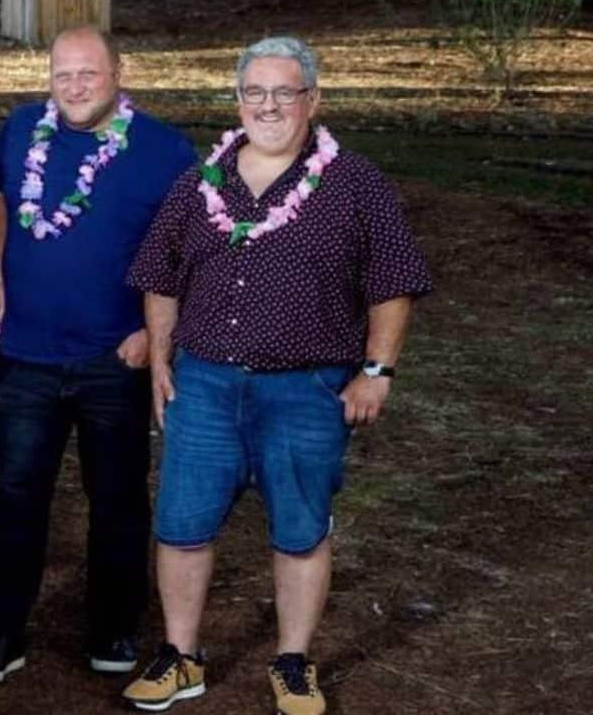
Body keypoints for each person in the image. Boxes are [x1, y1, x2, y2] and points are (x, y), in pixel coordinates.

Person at [120, 37, 432, 715]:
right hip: (204, 383)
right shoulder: (201, 182)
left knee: (299, 528)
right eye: (254, 93)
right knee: (180, 524)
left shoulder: (354, 182)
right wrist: (161, 362)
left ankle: (293, 662)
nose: (268, 106)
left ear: (312, 101)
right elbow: (160, 275)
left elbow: (393, 282)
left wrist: (376, 372)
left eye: (284, 93)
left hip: (306, 388)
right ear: (238, 101)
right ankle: (181, 656)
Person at [0, 26, 197, 685]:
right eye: (61, 74)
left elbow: (193, 246)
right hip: (27, 356)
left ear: (118, 72)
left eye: (87, 74)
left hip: (112, 356)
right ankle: (2, 631)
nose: (73, 87)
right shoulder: (21, 130)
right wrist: (2, 269)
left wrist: (158, 334)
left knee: (118, 498)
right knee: (17, 494)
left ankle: (115, 626)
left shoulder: (163, 150)